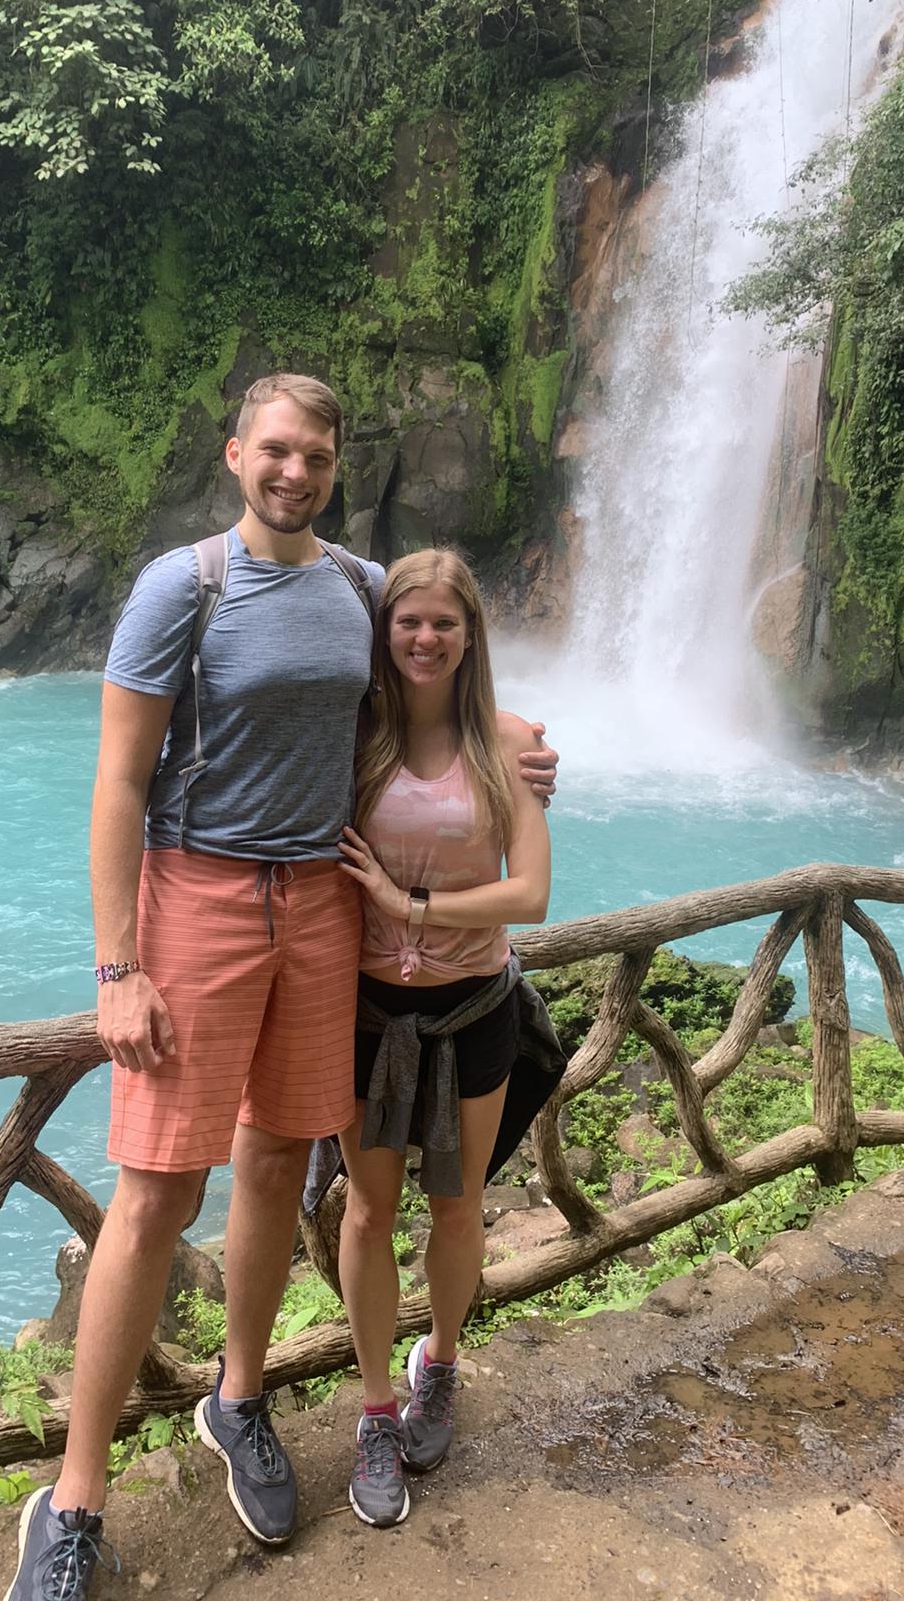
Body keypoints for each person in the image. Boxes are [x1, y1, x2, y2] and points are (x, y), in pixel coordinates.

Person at [5, 375, 557, 1601]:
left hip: (320, 901)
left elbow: (431, 677)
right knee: (157, 1188)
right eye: (276, 450)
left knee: (272, 1156)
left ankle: (238, 1394)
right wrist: (117, 966)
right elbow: (117, 780)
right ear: (235, 454)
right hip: (198, 892)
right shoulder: (183, 586)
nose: (295, 471)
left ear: (336, 465)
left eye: (316, 454)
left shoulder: (361, 588)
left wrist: (518, 744)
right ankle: (74, 1497)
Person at [329, 548, 562, 1529]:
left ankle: (443, 1363)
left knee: (458, 1209)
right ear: (384, 630)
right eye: (408, 620)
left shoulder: (507, 743)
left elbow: (532, 892)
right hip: (367, 1015)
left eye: (444, 623)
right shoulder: (355, 734)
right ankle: (376, 1407)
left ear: (471, 636)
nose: (425, 638)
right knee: (369, 1212)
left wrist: (407, 903)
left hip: (474, 1011)